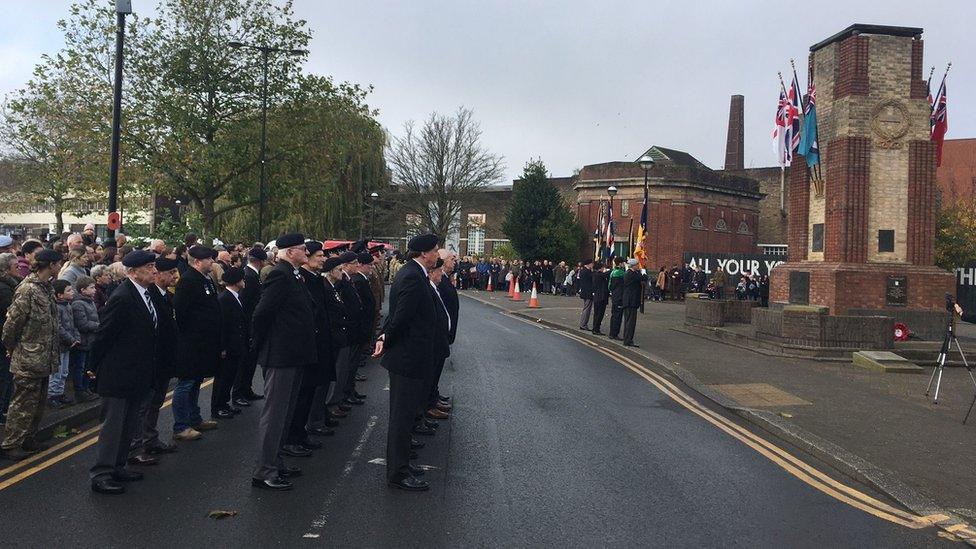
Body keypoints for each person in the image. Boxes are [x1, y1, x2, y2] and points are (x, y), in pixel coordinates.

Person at [87, 250, 167, 494]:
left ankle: (118, 465)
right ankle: (101, 473)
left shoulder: (146, 293)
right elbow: (103, 335)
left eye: (154, 266)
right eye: (149, 267)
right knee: (113, 425)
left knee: (129, 424)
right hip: (118, 373)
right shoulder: (123, 297)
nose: (154, 270)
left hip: (139, 372)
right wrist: (92, 367)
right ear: (132, 272)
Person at [372, 233, 440, 491]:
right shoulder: (412, 276)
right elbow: (401, 316)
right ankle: (397, 472)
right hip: (407, 358)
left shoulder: (414, 273)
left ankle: (402, 465)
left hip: (411, 356)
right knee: (401, 418)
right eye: (435, 250)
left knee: (406, 415)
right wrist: (386, 339)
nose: (437, 254)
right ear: (424, 253)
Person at [250, 233, 317, 491]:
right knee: (275, 414)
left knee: (286, 412)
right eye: (302, 249)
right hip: (281, 355)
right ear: (289, 252)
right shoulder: (280, 275)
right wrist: (263, 344)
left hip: (294, 354)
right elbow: (262, 313)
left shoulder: (294, 274)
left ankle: (275, 461)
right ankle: (264, 469)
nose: (306, 253)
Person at [0, 249, 61, 461]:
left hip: (44, 357)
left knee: (37, 402)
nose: (60, 266)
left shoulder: (47, 288)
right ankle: (11, 443)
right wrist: (12, 347)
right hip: (27, 356)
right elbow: (11, 324)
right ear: (51, 265)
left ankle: (28, 438)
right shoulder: (27, 290)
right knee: (22, 402)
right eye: (58, 263)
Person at [131, 256, 179, 464]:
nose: (175, 277)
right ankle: (136, 446)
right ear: (158, 275)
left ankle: (150, 438)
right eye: (170, 273)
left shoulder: (165, 295)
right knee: (144, 405)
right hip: (151, 360)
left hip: (164, 360)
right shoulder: (147, 295)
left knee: (156, 402)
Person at [171, 245, 222, 441]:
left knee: (197, 382)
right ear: (198, 261)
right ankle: (181, 426)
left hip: (203, 343)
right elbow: (181, 312)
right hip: (191, 342)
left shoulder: (205, 280)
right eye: (209, 259)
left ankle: (194, 418)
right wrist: (190, 335)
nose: (212, 262)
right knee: (186, 383)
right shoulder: (188, 281)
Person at [231, 247, 267, 406]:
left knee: (251, 360)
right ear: (260, 261)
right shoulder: (250, 276)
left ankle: (246, 388)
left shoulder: (252, 275)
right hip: (248, 324)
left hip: (251, 324)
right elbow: (247, 303)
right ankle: (239, 393)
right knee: (245, 361)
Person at [213, 268, 246, 420]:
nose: (244, 282)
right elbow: (223, 325)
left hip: (236, 344)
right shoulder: (225, 299)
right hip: (228, 346)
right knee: (223, 377)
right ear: (236, 282)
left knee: (230, 376)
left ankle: (224, 403)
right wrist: (222, 347)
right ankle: (218, 406)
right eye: (242, 279)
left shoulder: (235, 296)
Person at [49, 280, 81, 408]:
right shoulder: (57, 308)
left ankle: (60, 392)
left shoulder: (68, 305)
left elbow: (73, 325)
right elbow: (58, 327)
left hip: (68, 344)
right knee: (57, 371)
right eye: (68, 290)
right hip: (59, 345)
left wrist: (75, 338)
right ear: (59, 295)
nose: (72, 292)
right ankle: (52, 395)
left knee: (64, 371)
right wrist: (70, 339)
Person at [70, 276, 100, 402]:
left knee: (88, 367)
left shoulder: (90, 301)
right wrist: (99, 326)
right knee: (80, 367)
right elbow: (82, 324)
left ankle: (87, 388)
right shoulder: (78, 304)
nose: (95, 290)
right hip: (83, 341)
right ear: (83, 290)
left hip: (90, 341)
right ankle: (80, 391)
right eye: (91, 288)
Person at [0, 252, 20, 424]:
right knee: (4, 376)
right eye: (16, 266)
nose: (19, 268)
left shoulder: (11, 285)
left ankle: (5, 408)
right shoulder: (5, 289)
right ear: (6, 269)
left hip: (6, 338)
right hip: (3, 339)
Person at [621, 259, 644, 348]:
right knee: (630, 322)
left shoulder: (628, 273)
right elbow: (643, 278)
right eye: (637, 265)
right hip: (631, 301)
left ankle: (627, 338)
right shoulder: (632, 274)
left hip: (628, 300)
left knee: (628, 321)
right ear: (633, 266)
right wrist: (643, 272)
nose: (638, 266)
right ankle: (628, 340)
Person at [607, 257, 626, 340]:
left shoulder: (613, 271)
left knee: (614, 315)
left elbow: (610, 286)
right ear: (620, 263)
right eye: (623, 263)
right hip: (619, 297)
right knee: (618, 316)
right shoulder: (620, 273)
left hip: (614, 296)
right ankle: (614, 334)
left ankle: (612, 332)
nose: (624, 264)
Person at [590, 261, 609, 335]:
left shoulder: (595, 274)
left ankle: (596, 328)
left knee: (597, 314)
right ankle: (596, 329)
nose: (604, 269)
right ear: (600, 268)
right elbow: (606, 274)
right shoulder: (599, 275)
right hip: (600, 297)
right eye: (603, 267)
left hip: (597, 297)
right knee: (599, 314)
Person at [577, 259, 594, 330]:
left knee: (586, 308)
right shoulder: (587, 272)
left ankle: (583, 324)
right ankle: (583, 324)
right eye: (592, 264)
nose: (593, 265)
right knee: (587, 309)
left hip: (584, 292)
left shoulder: (582, 271)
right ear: (589, 264)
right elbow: (591, 282)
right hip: (588, 293)